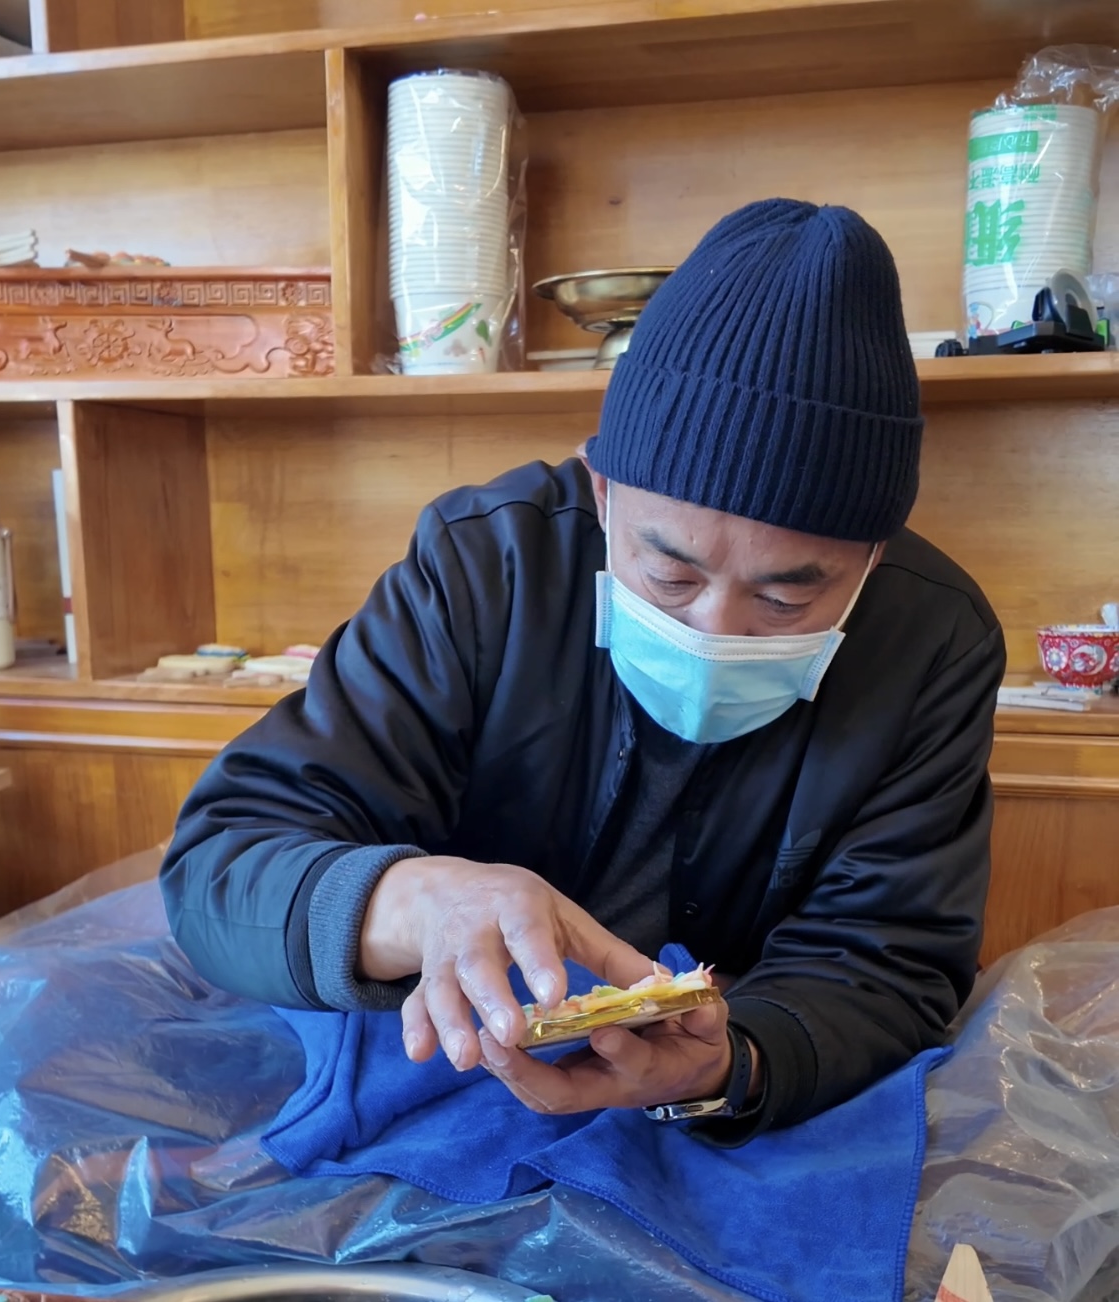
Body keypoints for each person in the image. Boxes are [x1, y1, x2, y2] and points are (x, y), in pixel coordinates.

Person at [161, 198, 1005, 1143]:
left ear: (873, 559)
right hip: (434, 1057)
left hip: (720, 1112)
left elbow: (890, 961)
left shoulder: (933, 641)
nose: (714, 629)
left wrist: (736, 1062)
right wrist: (421, 904)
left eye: (784, 599)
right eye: (669, 574)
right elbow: (222, 866)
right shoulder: (487, 564)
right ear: (602, 492)